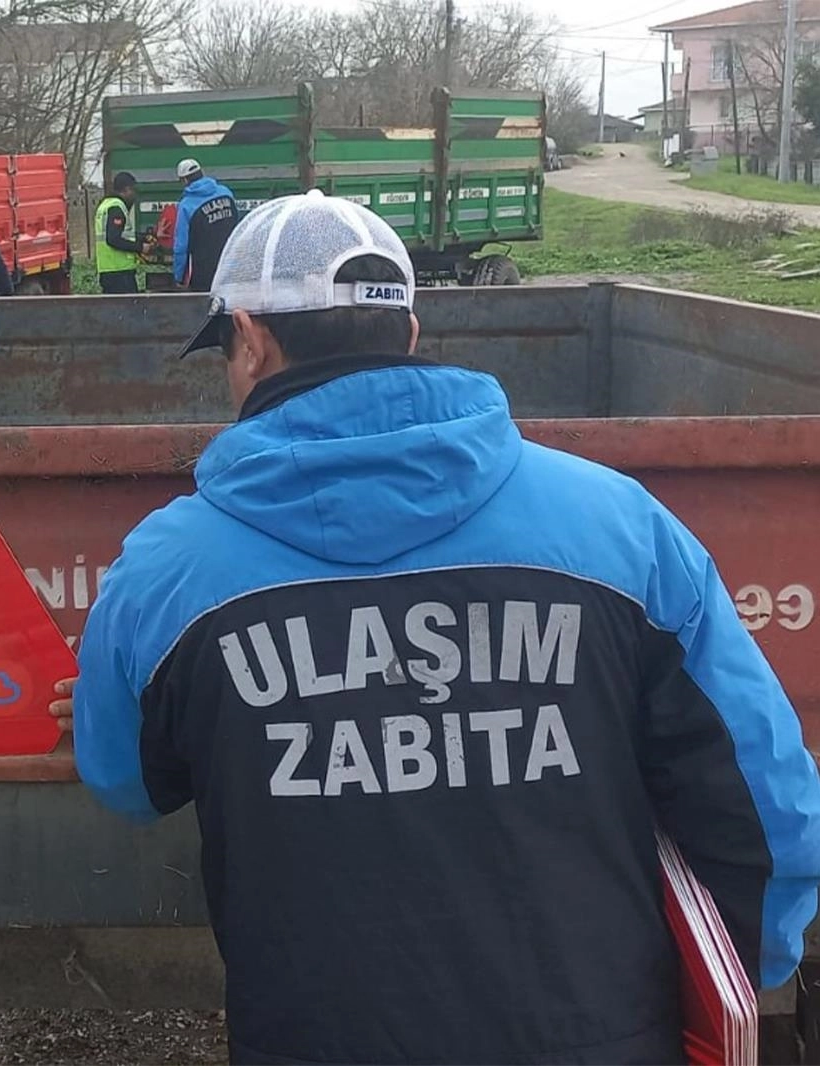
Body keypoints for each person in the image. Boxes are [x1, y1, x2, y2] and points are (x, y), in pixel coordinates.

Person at [54, 190, 820, 1065]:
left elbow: (125, 781)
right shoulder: (617, 525)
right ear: (408, 333)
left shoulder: (166, 568)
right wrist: (738, 977)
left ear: (250, 336)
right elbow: (760, 796)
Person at [171, 158, 238, 291]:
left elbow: (181, 247)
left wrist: (178, 277)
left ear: (184, 180)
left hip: (203, 273)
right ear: (202, 173)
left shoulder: (186, 205)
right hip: (230, 267)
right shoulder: (226, 193)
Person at [96, 171, 143, 294]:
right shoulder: (117, 207)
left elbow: (124, 234)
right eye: (133, 191)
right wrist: (140, 247)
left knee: (113, 310)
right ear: (127, 189)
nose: (134, 195)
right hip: (119, 272)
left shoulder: (105, 205)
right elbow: (113, 239)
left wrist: (145, 238)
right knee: (128, 310)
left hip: (108, 270)